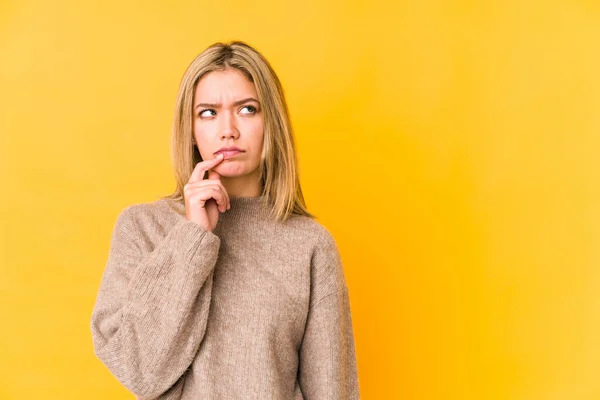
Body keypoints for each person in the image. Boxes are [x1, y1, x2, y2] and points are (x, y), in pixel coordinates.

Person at [90, 41, 360, 399]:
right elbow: (136, 369)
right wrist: (191, 238)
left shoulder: (309, 244)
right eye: (208, 112)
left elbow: (331, 391)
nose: (228, 129)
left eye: (247, 109)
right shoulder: (143, 228)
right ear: (189, 129)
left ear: (272, 124)